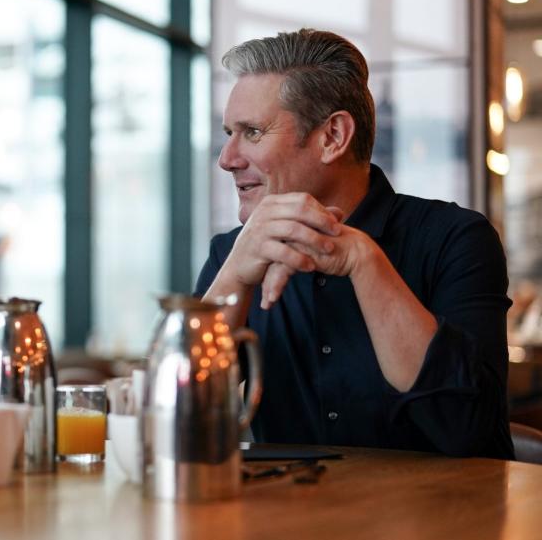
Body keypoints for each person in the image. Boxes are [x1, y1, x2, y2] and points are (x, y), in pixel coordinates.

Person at [195, 29, 513, 459]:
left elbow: (467, 432)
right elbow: (173, 423)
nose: (227, 158)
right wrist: (233, 276)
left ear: (333, 137)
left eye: (251, 132)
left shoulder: (455, 239)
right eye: (229, 133)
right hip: (288, 520)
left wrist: (365, 261)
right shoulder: (229, 255)